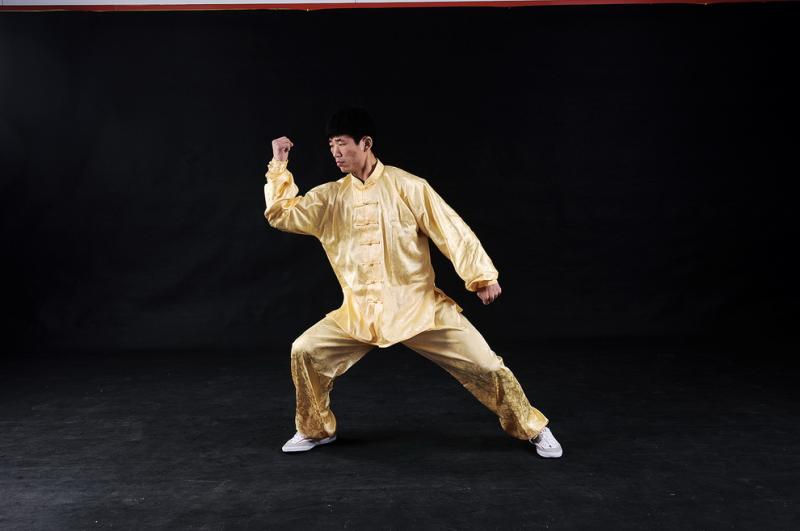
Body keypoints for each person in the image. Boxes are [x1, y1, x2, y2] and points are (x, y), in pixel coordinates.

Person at [263, 107, 562, 458]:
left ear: (366, 143)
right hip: (360, 313)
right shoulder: (330, 197)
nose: (335, 152)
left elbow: (450, 228)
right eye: (331, 145)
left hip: (420, 308)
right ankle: (315, 429)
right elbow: (282, 215)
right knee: (305, 350)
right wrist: (279, 165)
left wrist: (480, 275)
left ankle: (532, 427)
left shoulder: (408, 186)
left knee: (486, 365)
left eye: (341, 143)